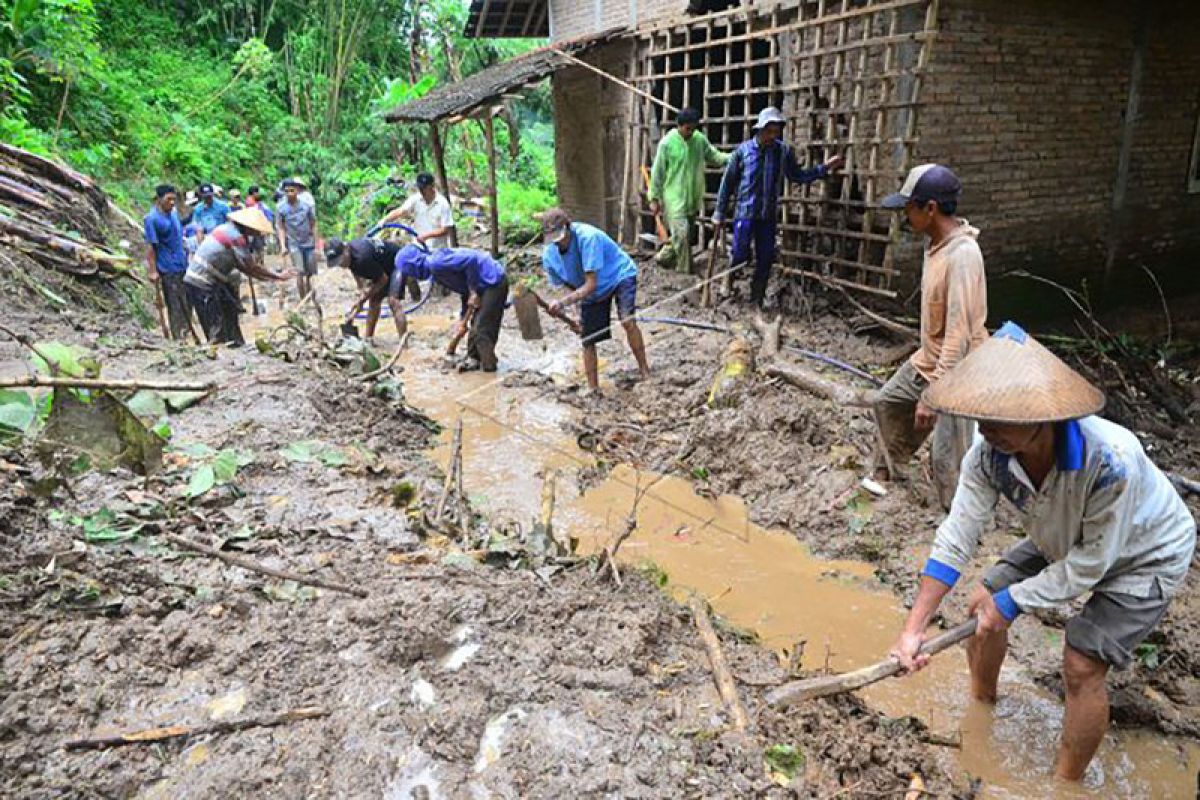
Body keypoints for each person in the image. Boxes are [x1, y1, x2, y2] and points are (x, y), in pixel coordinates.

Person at [890, 322, 1195, 783]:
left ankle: (1065, 783)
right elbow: (958, 533)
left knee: (1081, 661)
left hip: (1144, 552)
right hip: (1064, 530)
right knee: (980, 607)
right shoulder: (989, 453)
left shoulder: (1111, 461)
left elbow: (1092, 565)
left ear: (1044, 416)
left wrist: (1012, 601)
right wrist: (913, 630)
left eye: (1004, 419)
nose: (989, 429)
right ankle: (982, 707)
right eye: (984, 418)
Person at [874, 164, 987, 508]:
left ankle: (957, 517)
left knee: (946, 460)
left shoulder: (963, 256)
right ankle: (887, 473)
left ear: (930, 209)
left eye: (909, 209)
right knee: (887, 403)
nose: (905, 217)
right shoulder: (935, 245)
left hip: (959, 370)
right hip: (930, 358)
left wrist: (932, 394)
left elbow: (959, 335)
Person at [713, 106, 844, 306]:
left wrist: (823, 168)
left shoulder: (782, 152)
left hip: (768, 215)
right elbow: (727, 182)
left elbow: (797, 176)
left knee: (765, 258)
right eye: (769, 131)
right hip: (745, 212)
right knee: (740, 253)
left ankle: (756, 299)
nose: (772, 135)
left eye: (776, 131)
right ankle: (728, 280)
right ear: (760, 129)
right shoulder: (743, 151)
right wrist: (719, 212)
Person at [541, 208, 650, 393]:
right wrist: (575, 315)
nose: (559, 243)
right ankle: (593, 388)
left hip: (617, 276)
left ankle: (645, 370)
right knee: (587, 338)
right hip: (587, 290)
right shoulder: (549, 257)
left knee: (627, 320)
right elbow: (570, 286)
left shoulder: (588, 238)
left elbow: (591, 284)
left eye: (561, 237)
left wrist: (562, 303)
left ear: (568, 228)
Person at [389, 244, 509, 371]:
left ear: (412, 266)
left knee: (481, 330)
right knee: (474, 326)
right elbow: (463, 287)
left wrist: (473, 291)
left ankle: (489, 368)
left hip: (493, 281)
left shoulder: (437, 263)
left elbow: (471, 260)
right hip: (481, 285)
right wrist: (463, 317)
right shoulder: (435, 273)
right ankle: (474, 359)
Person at [184, 207, 291, 346]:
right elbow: (250, 267)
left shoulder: (227, 229)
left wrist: (272, 277)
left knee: (230, 311)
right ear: (247, 227)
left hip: (211, 280)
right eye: (256, 230)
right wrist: (277, 276)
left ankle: (236, 344)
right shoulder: (235, 236)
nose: (258, 233)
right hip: (201, 282)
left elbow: (244, 267)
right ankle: (219, 348)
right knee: (215, 324)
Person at [648, 107, 730, 275]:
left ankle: (664, 257)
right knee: (683, 234)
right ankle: (685, 272)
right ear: (679, 126)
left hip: (692, 197)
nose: (691, 132)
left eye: (693, 128)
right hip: (674, 197)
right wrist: (654, 198)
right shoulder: (667, 143)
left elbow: (714, 157)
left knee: (682, 236)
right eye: (688, 128)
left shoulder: (699, 140)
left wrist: (733, 157)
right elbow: (658, 172)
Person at [324, 236, 403, 342]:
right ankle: (368, 339)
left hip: (398, 262)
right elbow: (356, 272)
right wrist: (361, 294)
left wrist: (362, 299)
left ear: (346, 249)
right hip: (381, 265)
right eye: (338, 263)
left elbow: (383, 280)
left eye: (341, 260)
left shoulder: (362, 257)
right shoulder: (351, 256)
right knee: (374, 301)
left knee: (393, 302)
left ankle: (404, 343)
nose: (341, 265)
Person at [142, 184, 193, 340]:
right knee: (174, 304)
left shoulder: (174, 213)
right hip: (167, 267)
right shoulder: (152, 219)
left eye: (174, 199)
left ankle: (186, 332)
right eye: (168, 199)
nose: (172, 202)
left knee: (187, 301)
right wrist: (152, 271)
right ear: (159, 199)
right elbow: (151, 246)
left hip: (182, 263)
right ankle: (179, 337)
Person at [379, 173, 454, 250]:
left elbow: (445, 229)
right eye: (420, 188)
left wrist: (426, 236)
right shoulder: (415, 199)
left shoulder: (443, 204)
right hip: (418, 247)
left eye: (425, 188)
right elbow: (401, 211)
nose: (422, 191)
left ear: (432, 186)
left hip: (437, 249)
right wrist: (385, 219)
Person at [275, 177, 319, 301]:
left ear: (297, 191)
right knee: (299, 272)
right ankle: (303, 300)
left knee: (310, 274)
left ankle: (313, 298)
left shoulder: (306, 206)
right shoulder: (280, 208)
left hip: (308, 242)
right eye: (287, 191)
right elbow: (280, 227)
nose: (290, 193)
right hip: (294, 243)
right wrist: (283, 246)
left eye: (292, 190)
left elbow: (313, 223)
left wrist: (316, 245)